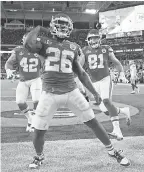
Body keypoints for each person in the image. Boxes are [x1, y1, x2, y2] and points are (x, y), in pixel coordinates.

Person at [25, 13, 130, 169]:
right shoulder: (44, 42)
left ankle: (112, 151)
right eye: (59, 24)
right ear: (53, 26)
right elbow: (28, 43)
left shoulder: (73, 47)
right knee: (39, 130)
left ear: (70, 28)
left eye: (65, 25)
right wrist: (39, 28)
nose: (63, 27)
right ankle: (39, 156)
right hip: (49, 93)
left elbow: (81, 73)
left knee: (93, 122)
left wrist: (94, 93)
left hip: (71, 92)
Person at [81, 29, 131, 141]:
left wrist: (122, 73)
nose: (93, 40)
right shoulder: (84, 51)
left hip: (105, 79)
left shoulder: (106, 48)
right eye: (91, 38)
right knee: (105, 109)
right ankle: (123, 111)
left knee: (106, 100)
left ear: (99, 39)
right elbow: (79, 66)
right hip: (94, 83)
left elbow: (116, 61)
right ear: (88, 41)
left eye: (95, 38)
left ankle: (117, 130)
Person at [5, 34, 42, 132]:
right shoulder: (18, 50)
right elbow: (9, 63)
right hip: (23, 81)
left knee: (37, 100)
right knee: (20, 102)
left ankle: (35, 122)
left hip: (36, 79)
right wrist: (9, 70)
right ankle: (30, 118)